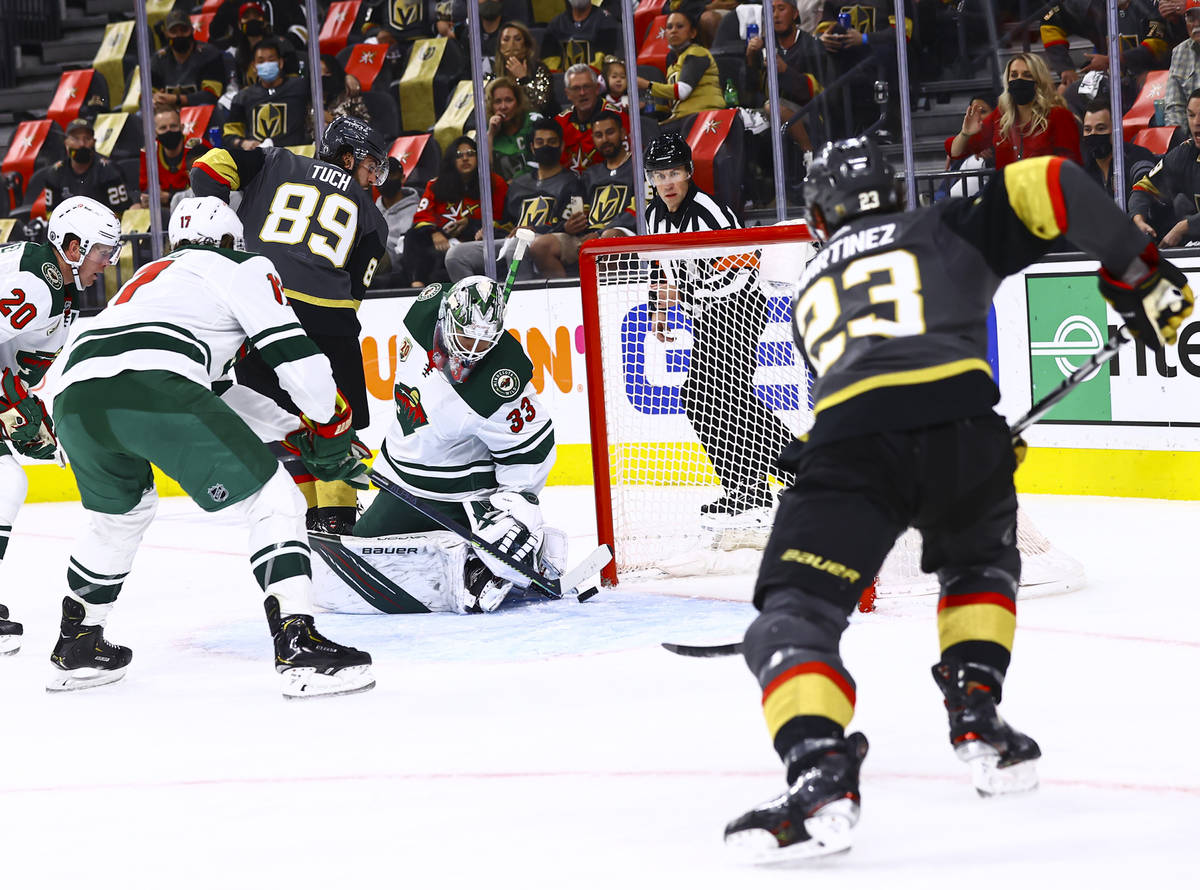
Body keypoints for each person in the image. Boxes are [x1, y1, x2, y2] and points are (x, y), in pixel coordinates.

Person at [723, 136, 1192, 858]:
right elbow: (1057, 180)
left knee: (792, 617)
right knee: (978, 565)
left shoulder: (810, 285)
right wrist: (1140, 274)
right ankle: (977, 714)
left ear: (820, 213)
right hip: (965, 433)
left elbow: (864, 388)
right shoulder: (942, 224)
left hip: (854, 446)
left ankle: (819, 767)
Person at [49, 197, 375, 698]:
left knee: (120, 517)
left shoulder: (154, 280)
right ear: (230, 242)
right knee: (274, 498)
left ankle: (77, 644)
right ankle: (297, 644)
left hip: (74, 396)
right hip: (153, 381)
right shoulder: (241, 266)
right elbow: (297, 360)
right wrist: (330, 427)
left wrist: (292, 430)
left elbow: (218, 389)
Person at [190, 116, 388, 534]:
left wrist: (221, 233)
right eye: (370, 165)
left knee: (283, 424)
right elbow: (353, 296)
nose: (373, 179)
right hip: (326, 319)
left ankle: (303, 517)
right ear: (348, 157)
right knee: (335, 424)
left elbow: (207, 167)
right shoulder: (372, 216)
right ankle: (337, 519)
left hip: (260, 310)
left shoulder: (276, 160)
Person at [347, 274, 561, 614]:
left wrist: (516, 507)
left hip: (457, 493)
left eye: (484, 342)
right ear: (446, 318)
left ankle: (498, 552)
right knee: (364, 550)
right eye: (464, 336)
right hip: (405, 478)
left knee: (490, 552)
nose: (472, 352)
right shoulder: (424, 311)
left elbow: (533, 443)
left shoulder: (500, 380)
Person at [643, 132, 795, 519]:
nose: (667, 183)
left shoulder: (709, 210)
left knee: (722, 397)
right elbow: (660, 265)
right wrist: (659, 308)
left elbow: (741, 270)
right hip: (706, 313)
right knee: (705, 399)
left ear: (689, 173)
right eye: (659, 176)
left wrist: (688, 294)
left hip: (740, 307)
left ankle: (797, 472)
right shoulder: (653, 214)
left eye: (674, 173)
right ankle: (749, 487)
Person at [0, 196, 121, 656]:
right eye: (100, 251)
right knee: (4, 480)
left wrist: (17, 401)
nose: (107, 261)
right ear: (72, 247)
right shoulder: (39, 283)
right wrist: (8, 402)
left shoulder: (57, 284)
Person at [447, 119, 582, 280]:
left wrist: (534, 230)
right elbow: (508, 223)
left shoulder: (572, 182)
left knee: (515, 246)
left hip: (545, 241)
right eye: (540, 142)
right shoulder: (518, 183)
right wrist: (489, 232)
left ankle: (519, 303)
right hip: (512, 241)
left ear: (561, 146)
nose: (545, 146)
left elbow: (571, 226)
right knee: (456, 255)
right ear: (532, 147)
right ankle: (473, 302)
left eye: (551, 142)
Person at [529, 110, 638, 277]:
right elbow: (577, 211)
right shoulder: (589, 175)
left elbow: (640, 210)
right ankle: (564, 300)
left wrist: (600, 234)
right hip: (589, 236)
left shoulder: (638, 166)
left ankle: (601, 301)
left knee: (608, 239)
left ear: (623, 133)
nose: (605, 139)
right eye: (598, 135)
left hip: (625, 234)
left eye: (610, 132)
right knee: (541, 246)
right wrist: (568, 225)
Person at [947, 53, 1082, 171]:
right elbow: (956, 152)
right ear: (1007, 80)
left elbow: (1070, 166)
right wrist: (965, 134)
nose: (1019, 80)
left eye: (1027, 75)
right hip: (1008, 196)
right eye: (1014, 75)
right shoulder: (1000, 117)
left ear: (1039, 81)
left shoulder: (1059, 115)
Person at [405, 136, 508, 287]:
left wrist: (473, 224)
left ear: (478, 157)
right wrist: (434, 232)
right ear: (452, 160)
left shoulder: (494, 183)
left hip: (476, 240)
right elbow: (421, 215)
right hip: (442, 239)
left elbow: (502, 218)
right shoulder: (435, 184)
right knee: (412, 236)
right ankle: (416, 286)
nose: (465, 159)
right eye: (459, 155)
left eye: (470, 154)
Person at [1130, 88, 1200, 247]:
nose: (1196, 122)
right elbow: (1144, 186)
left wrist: (1184, 226)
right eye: (1191, 115)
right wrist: (1138, 219)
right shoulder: (1184, 153)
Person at [637, 12, 725, 124]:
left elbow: (682, 91)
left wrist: (646, 85)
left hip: (704, 118)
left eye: (680, 26)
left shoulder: (697, 53)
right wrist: (647, 107)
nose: (673, 30)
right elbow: (673, 105)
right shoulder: (672, 66)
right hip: (683, 119)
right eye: (669, 27)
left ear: (693, 33)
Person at [224, 38, 312, 149]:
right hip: (259, 158)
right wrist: (243, 143)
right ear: (254, 66)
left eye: (271, 60)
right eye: (261, 61)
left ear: (280, 63)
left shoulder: (300, 86)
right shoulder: (243, 97)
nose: (266, 64)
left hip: (296, 156)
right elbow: (229, 135)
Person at [42, 118, 132, 215]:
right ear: (66, 142)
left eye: (87, 139)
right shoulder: (55, 173)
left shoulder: (109, 170)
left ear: (94, 142)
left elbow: (121, 213)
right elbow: (51, 214)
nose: (82, 144)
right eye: (75, 138)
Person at [1080, 99, 1157, 204]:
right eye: (1088, 130)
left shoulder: (1137, 158)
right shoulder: (1081, 167)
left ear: (1115, 129)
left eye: (1101, 128)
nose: (1093, 134)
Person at [150, 9, 226, 112]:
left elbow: (211, 95)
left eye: (183, 30)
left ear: (192, 30)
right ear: (166, 34)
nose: (179, 35)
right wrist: (156, 98)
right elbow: (149, 93)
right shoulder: (158, 59)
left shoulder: (209, 55)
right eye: (174, 31)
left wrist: (177, 99)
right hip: (167, 113)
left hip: (201, 112)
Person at [557, 64, 628, 173]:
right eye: (576, 88)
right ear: (568, 94)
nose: (582, 93)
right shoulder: (559, 123)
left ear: (597, 88)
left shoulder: (620, 119)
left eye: (587, 86)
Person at [138, 108, 211, 210]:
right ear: (155, 132)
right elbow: (145, 188)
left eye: (173, 126)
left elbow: (207, 188)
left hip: (196, 208)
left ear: (182, 127)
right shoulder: (148, 152)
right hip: (161, 210)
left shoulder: (198, 147)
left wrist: (169, 197)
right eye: (163, 128)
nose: (169, 131)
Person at [374, 156, 422, 286]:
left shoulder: (417, 210)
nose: (386, 180)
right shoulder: (373, 208)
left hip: (394, 260)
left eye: (391, 175)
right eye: (382, 175)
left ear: (403, 177)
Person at [492, 22, 555, 117]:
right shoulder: (493, 74)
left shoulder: (539, 69)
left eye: (517, 39)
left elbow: (541, 105)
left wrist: (524, 79)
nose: (512, 44)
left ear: (526, 46)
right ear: (500, 48)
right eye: (506, 39)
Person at [541, 0, 622, 74]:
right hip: (562, 83)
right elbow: (549, 62)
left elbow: (606, 60)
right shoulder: (556, 24)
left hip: (596, 82)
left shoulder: (606, 22)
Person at [484, 77, 541, 182]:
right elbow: (484, 173)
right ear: (491, 106)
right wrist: (491, 135)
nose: (503, 106)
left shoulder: (534, 122)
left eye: (509, 100)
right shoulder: (486, 129)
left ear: (518, 102)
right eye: (497, 101)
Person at [1165, 2, 1200, 127]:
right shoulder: (1180, 52)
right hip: (1192, 134)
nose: (1196, 24)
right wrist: (1180, 140)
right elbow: (1174, 106)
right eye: (1191, 18)